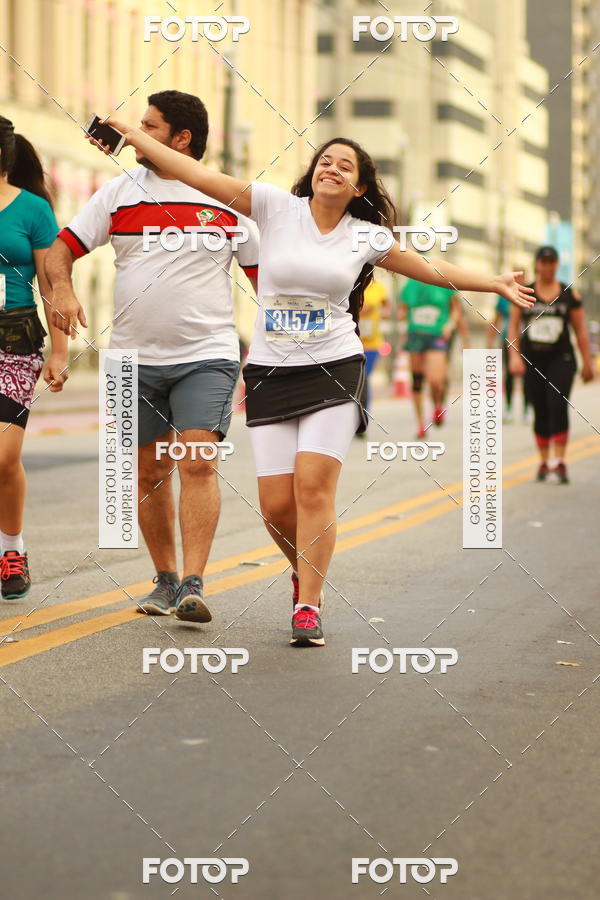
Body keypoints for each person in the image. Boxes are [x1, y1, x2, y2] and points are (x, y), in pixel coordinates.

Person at [88, 120, 534, 646]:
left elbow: (427, 267)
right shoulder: (276, 209)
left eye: (346, 166)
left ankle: (308, 604)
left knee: (313, 488)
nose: (332, 168)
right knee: (276, 505)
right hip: (272, 372)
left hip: (334, 367)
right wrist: (137, 140)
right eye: (326, 160)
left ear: (359, 187)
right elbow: (199, 173)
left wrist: (494, 282)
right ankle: (305, 568)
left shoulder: (364, 235)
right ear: (313, 172)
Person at [46, 91, 258, 622]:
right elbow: (60, 250)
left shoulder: (228, 200)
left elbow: (265, 284)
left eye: (149, 126)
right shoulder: (118, 193)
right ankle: (164, 580)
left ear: (180, 139)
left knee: (198, 461)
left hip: (207, 354)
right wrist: (64, 291)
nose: (135, 134)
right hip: (131, 359)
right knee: (148, 472)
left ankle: (193, 582)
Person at [0, 117, 68, 600]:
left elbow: (53, 285)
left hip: (14, 338)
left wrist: (61, 351)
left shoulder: (33, 209)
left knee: (4, 457)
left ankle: (11, 550)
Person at [508, 246, 594, 483]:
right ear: (537, 265)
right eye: (543, 263)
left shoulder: (568, 294)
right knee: (540, 407)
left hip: (561, 358)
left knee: (557, 404)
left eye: (551, 263)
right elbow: (513, 326)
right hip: (533, 359)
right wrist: (514, 356)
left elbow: (580, 330)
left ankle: (560, 460)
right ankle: (544, 461)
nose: (547, 267)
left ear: (556, 265)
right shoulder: (526, 292)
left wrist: (588, 362)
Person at [399, 278, 461, 437]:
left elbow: (456, 309)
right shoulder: (410, 284)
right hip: (416, 335)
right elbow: (402, 310)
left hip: (437, 334)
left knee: (436, 379)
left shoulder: (443, 282)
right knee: (417, 380)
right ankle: (420, 425)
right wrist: (402, 322)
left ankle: (437, 405)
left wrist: (450, 324)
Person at [487, 270, 529, 423]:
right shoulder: (504, 296)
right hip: (508, 340)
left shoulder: (529, 293)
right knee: (509, 374)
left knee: (528, 376)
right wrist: (489, 341)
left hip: (526, 340)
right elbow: (496, 319)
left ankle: (526, 409)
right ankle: (509, 407)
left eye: (522, 277)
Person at [358, 278, 388, 418]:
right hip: (350, 341)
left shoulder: (376, 287)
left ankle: (363, 414)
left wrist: (381, 314)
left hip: (371, 343)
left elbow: (368, 308)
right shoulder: (351, 282)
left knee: (364, 378)